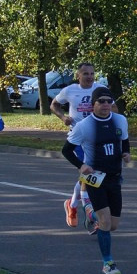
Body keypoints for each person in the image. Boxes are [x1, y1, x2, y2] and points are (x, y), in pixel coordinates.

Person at [61, 86, 131, 274]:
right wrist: (80, 165)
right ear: (93, 105)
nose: (106, 105)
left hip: (115, 178)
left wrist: (126, 153)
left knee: (113, 225)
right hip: (95, 179)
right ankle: (108, 263)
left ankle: (90, 213)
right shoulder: (84, 126)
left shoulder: (120, 120)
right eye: (101, 101)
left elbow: (124, 140)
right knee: (106, 222)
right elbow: (66, 150)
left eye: (109, 101)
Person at [51, 62, 100, 232]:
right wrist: (63, 117)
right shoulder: (70, 90)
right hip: (78, 137)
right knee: (87, 173)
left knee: (90, 175)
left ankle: (71, 205)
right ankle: (89, 216)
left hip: (96, 138)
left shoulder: (100, 89)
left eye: (92, 73)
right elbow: (54, 105)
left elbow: (113, 107)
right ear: (78, 76)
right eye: (85, 73)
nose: (89, 77)